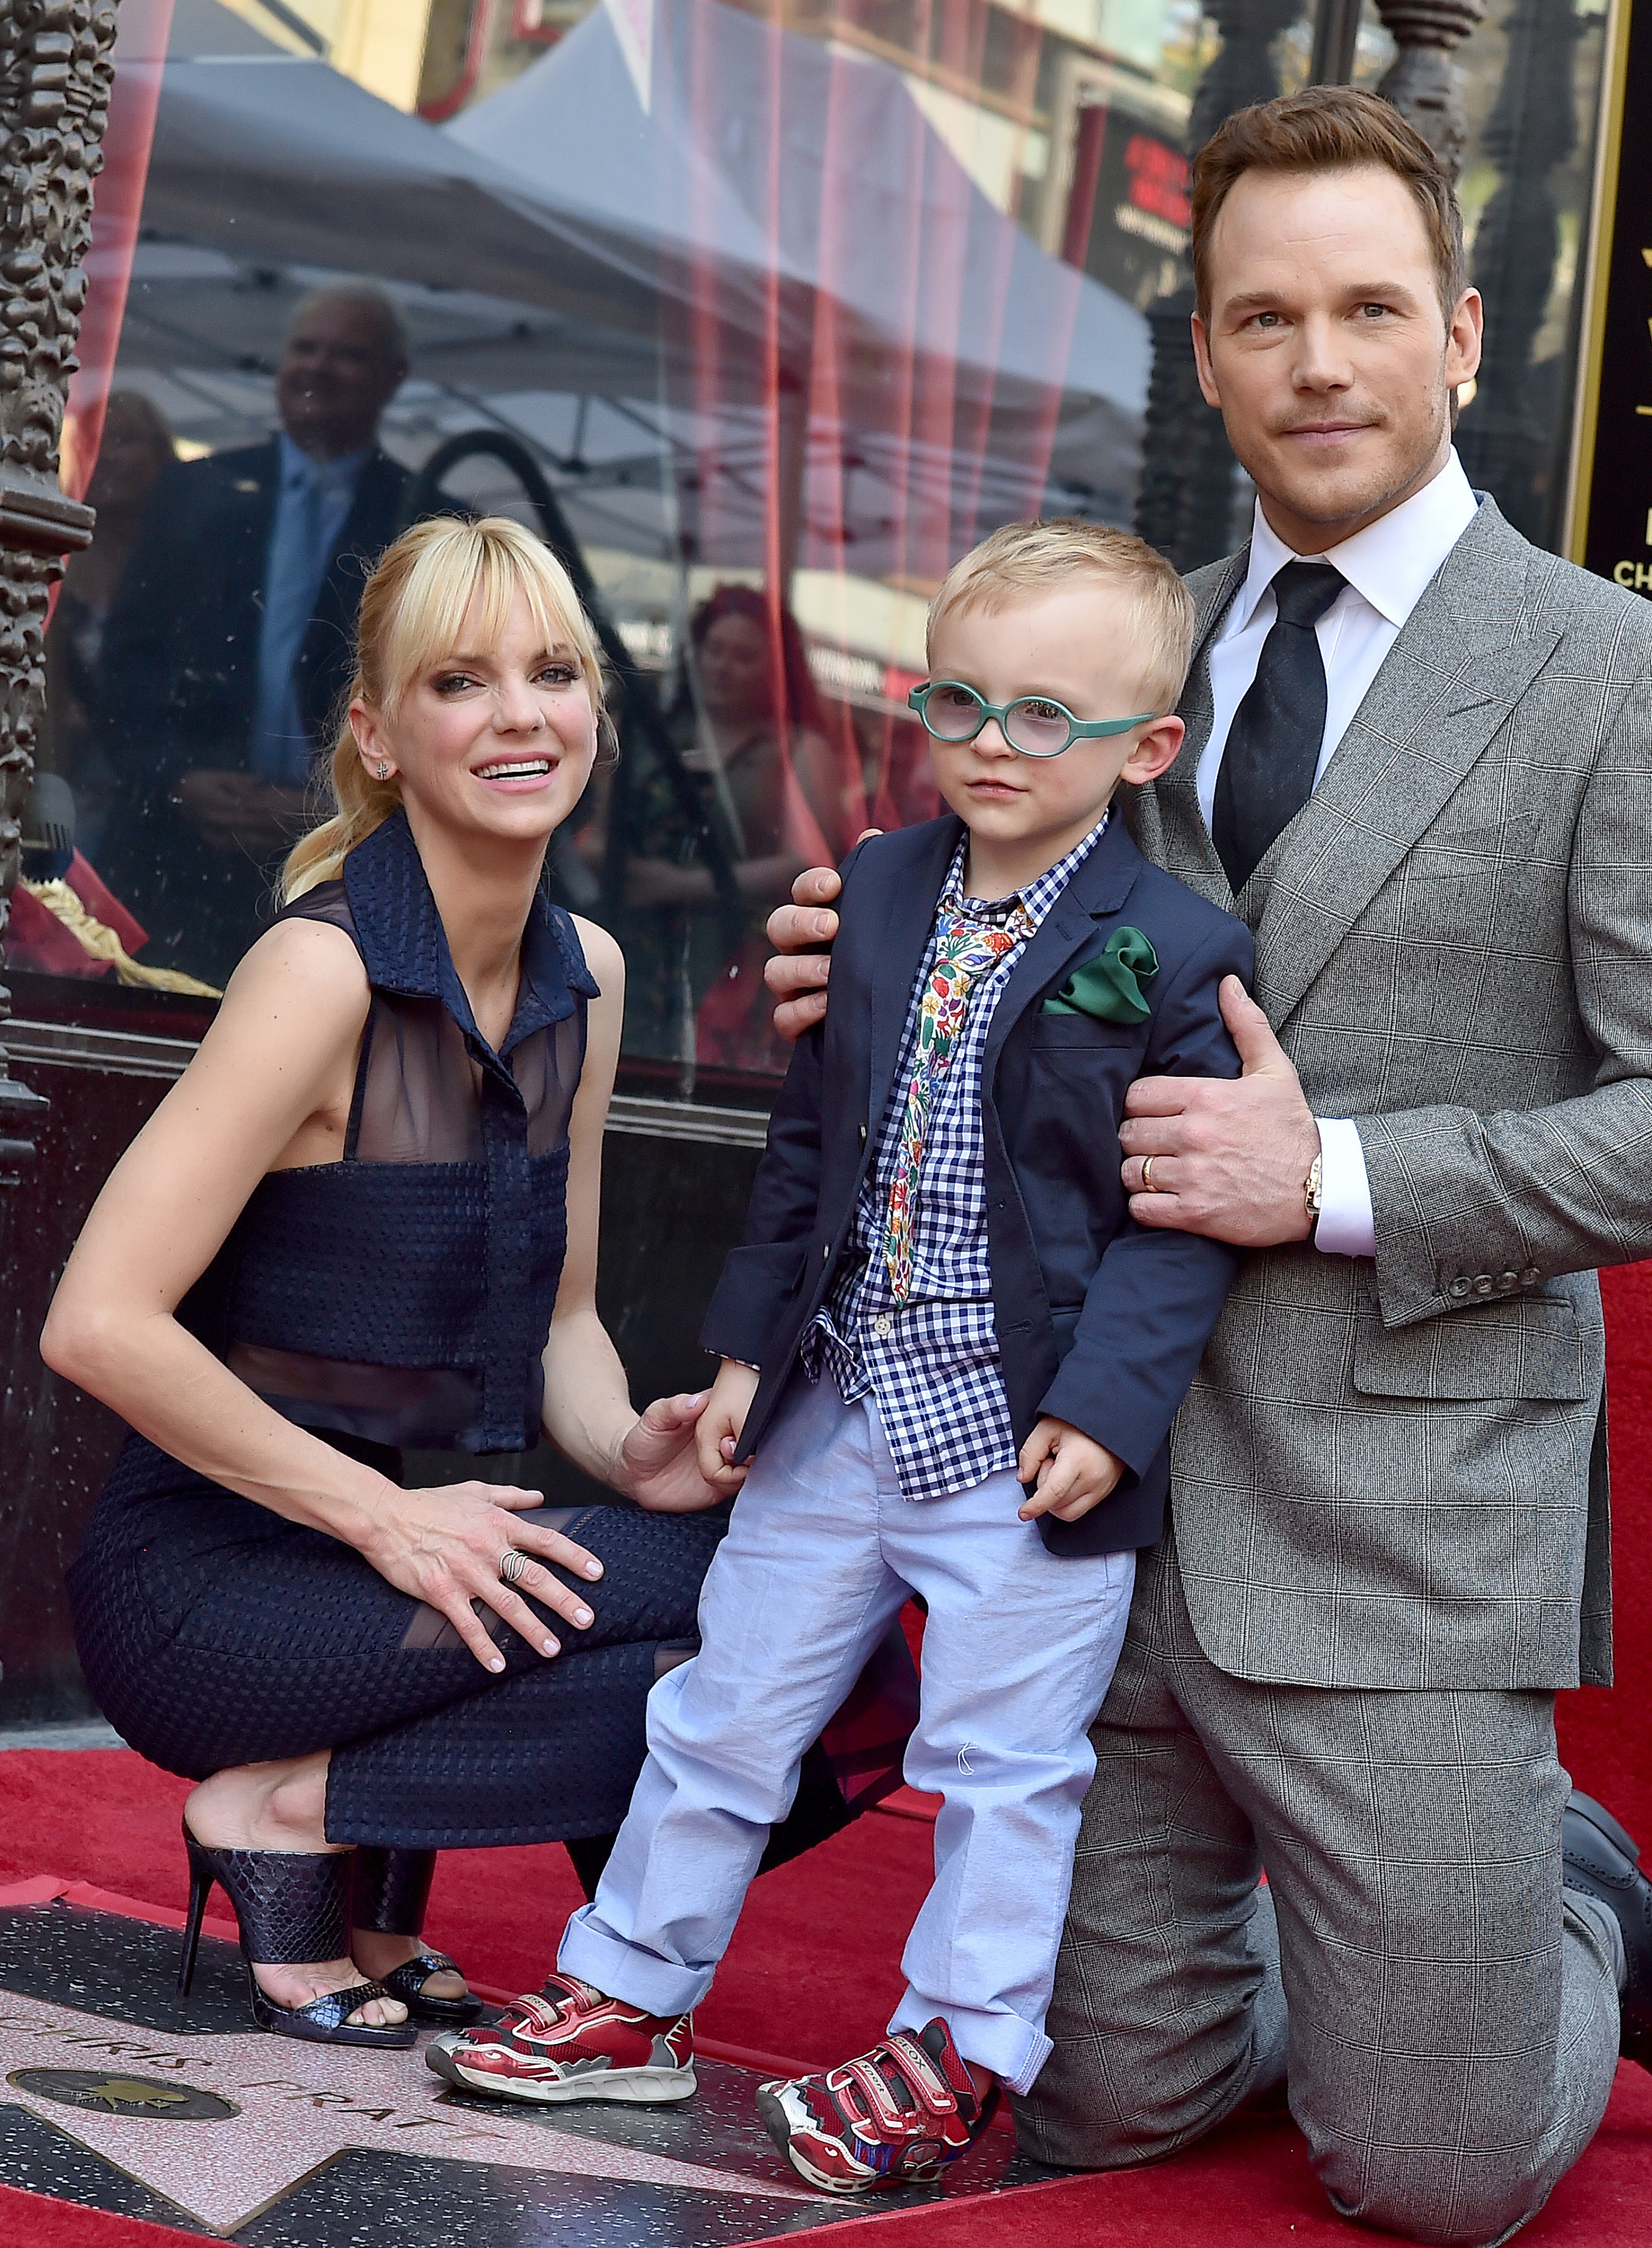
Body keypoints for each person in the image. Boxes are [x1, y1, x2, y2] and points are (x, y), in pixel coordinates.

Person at [758, 88, 1652, 2242]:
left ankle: (1576, 1915)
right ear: (1210, 356)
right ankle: (1400, 1950)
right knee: (1088, 2107)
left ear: (1460, 336)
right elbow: (1010, 990)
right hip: (1087, 1503)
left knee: (1430, 2173)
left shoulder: (1633, 678)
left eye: (1369, 309)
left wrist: (1322, 1169)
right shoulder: (1117, 661)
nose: (1319, 362)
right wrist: (870, 974)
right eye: (1265, 317)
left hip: (1398, 1520)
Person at [429, 521, 1255, 2195]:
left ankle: (958, 2046)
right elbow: (807, 1141)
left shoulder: (1174, 947)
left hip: (1023, 1436)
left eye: (1046, 716)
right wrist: (747, 1354)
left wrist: (1108, 1409)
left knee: (1005, 1761)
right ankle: (628, 1990)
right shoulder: (877, 885)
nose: (993, 744)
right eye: (959, 703)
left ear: (1148, 748)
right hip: (839, 1397)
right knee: (724, 1707)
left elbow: (1179, 1223)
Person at [45, 514, 761, 2046]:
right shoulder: (319, 974)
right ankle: (278, 1809)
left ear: (597, 711)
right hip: (208, 1587)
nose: (519, 714)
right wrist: (383, 1513)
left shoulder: (588, 975)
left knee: (787, 1581)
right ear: (377, 734)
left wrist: (627, 1440)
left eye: (553, 673)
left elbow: (561, 1315)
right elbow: (96, 1321)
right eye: (459, 681)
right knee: (735, 1599)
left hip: (402, 1570)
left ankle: (322, 1821)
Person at [99, 287, 421, 978]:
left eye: (347, 354)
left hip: (339, 877)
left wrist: (339, 806)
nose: (318, 368)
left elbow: (436, 700)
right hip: (172, 865)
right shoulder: (194, 491)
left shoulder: (421, 516)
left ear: (393, 377)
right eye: (305, 348)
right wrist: (179, 777)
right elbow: (126, 664)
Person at [602, 587, 860, 1072]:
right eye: (714, 650)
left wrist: (683, 885)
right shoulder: (646, 734)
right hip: (631, 948)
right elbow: (592, 840)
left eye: (744, 656)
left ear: (776, 669)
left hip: (737, 963)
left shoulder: (799, 752)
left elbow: (813, 868)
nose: (723, 667)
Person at [41, 388, 181, 868]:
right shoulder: (56, 554)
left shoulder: (190, 560)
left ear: (162, 454)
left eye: (124, 440)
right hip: (68, 779)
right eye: (95, 441)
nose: (106, 455)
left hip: (157, 788)